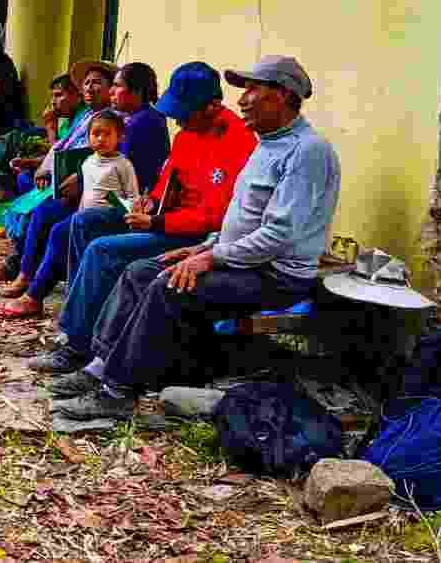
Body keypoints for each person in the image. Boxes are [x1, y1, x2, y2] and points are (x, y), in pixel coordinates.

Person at [52, 56, 341, 420]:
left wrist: (211, 257)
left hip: (275, 274)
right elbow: (241, 220)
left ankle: (118, 392)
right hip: (241, 259)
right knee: (141, 271)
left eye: (252, 89)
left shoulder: (307, 151)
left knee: (164, 286)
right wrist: (203, 247)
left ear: (282, 95)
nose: (242, 100)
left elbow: (278, 236)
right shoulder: (268, 144)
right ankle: (99, 367)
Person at [25, 62, 258, 374]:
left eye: (184, 113)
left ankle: (78, 346)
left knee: (104, 250)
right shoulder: (189, 132)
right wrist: (151, 201)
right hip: (166, 219)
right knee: (83, 223)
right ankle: (83, 323)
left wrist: (158, 223)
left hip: (196, 237)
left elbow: (213, 217)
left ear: (213, 106)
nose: (177, 120)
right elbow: (170, 177)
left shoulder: (238, 142)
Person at [0, 109, 138, 317]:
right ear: (88, 138)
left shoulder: (122, 164)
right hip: (85, 215)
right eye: (96, 134)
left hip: (109, 217)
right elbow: (86, 192)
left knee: (59, 232)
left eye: (107, 134)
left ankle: (38, 293)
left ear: (120, 137)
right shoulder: (88, 162)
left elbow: (132, 197)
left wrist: (119, 207)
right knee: (61, 233)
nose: (101, 139)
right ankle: (66, 292)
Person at [0, 61, 116, 292]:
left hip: (85, 190)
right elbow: (61, 146)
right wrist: (43, 167)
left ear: (110, 88)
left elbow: (99, 159)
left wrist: (75, 181)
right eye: (87, 83)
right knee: (26, 196)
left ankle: (25, 273)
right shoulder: (85, 116)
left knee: (42, 212)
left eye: (97, 83)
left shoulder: (109, 119)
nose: (90, 88)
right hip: (63, 180)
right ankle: (20, 266)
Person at [110, 62, 172, 191]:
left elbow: (120, 173)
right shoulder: (151, 116)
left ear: (137, 91)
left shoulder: (140, 122)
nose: (111, 91)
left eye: (117, 86)